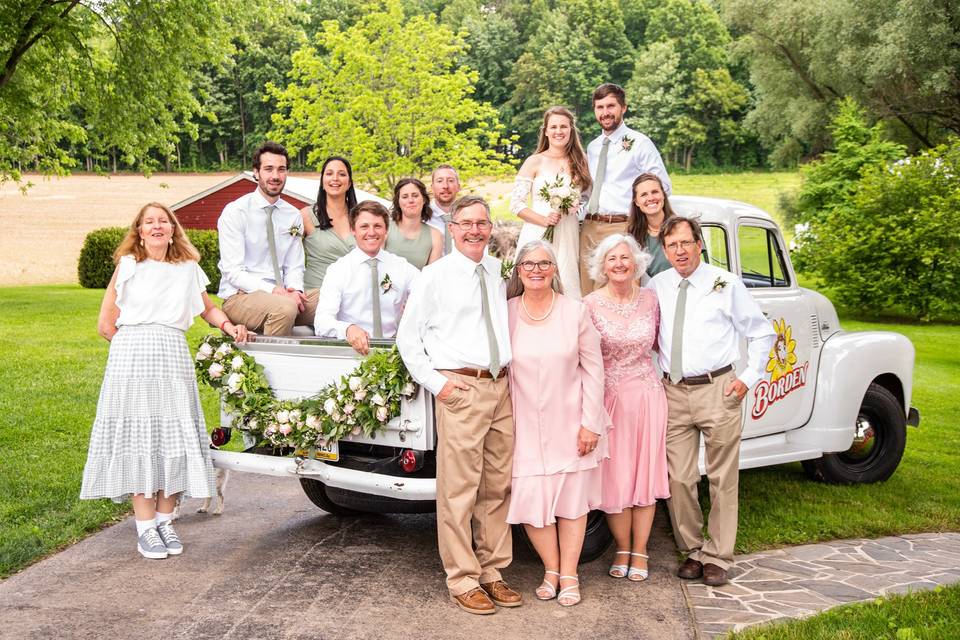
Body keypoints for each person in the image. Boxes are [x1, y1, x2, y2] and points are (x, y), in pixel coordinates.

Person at [80, 202, 251, 559]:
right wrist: (134, 347)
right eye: (149, 222)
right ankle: (145, 528)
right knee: (141, 437)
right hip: (133, 361)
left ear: (173, 229)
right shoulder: (127, 266)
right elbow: (105, 324)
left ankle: (164, 521)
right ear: (139, 231)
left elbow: (207, 308)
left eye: (164, 221)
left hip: (172, 356)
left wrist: (228, 325)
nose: (157, 226)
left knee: (174, 436)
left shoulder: (188, 268)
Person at [396, 195, 521, 615]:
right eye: (465, 223)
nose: (474, 230)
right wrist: (439, 386)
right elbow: (407, 340)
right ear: (451, 229)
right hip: (461, 390)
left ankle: (493, 571)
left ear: (490, 228)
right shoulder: (434, 277)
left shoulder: (494, 271)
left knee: (496, 487)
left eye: (481, 223)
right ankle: (463, 578)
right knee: (459, 491)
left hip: (501, 387)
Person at [648, 216, 775, 587]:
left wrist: (748, 378)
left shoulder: (726, 283)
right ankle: (691, 550)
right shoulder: (658, 285)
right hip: (674, 391)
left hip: (718, 389)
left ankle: (718, 555)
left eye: (686, 243)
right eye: (672, 245)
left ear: (699, 244)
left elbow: (762, 333)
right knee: (680, 478)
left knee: (722, 477)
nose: (680, 251)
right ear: (665, 250)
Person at [504, 240, 607, 607]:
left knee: (572, 504)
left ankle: (569, 574)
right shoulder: (507, 312)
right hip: (523, 425)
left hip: (571, 422)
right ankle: (551, 569)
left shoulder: (574, 312)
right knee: (531, 503)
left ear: (554, 270)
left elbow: (595, 371)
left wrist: (590, 423)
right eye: (529, 264)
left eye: (544, 263)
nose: (536, 269)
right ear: (518, 271)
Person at [583, 233, 670, 583]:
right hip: (609, 400)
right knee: (617, 479)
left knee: (645, 476)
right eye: (611, 259)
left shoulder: (651, 300)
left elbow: (666, 343)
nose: (619, 264)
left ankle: (641, 550)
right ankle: (622, 547)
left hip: (648, 396)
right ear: (602, 267)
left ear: (636, 261)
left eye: (624, 257)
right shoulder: (589, 304)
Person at [218, 141, 318, 336]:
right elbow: (233, 272)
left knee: (333, 299)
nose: (275, 176)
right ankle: (273, 364)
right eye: (268, 169)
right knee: (284, 308)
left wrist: (295, 289)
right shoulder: (235, 212)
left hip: (284, 296)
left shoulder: (292, 214)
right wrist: (275, 292)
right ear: (256, 172)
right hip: (241, 296)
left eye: (281, 169)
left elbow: (295, 265)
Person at [580, 83, 672, 295]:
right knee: (588, 292)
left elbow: (663, 185)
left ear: (623, 107)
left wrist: (642, 208)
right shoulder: (593, 147)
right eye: (599, 107)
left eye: (611, 106)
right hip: (589, 226)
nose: (605, 112)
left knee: (617, 291)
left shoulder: (640, 143)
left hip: (622, 225)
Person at [315, 201, 420, 354]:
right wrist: (348, 329)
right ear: (353, 230)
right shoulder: (338, 270)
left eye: (377, 226)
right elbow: (321, 322)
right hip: (351, 353)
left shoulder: (402, 267)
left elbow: (428, 294)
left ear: (386, 231)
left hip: (394, 352)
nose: (371, 232)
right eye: (364, 226)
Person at [510, 106, 591, 300]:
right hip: (539, 232)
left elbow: (586, 198)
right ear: (545, 131)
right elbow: (516, 205)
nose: (558, 131)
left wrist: (574, 206)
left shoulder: (580, 162)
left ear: (571, 130)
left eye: (563, 126)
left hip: (568, 231)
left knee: (566, 281)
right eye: (553, 127)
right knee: (535, 280)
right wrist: (544, 220)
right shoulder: (534, 161)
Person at [301, 156, 359, 290]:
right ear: (322, 181)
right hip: (318, 294)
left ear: (349, 183)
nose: (335, 178)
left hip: (355, 295)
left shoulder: (361, 217)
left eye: (342, 174)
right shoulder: (305, 216)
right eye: (329, 173)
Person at [385, 177, 443, 269]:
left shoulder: (436, 235)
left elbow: (432, 277)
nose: (410, 200)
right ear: (398, 202)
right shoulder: (385, 228)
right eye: (405, 197)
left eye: (415, 195)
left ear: (424, 200)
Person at [627, 172, 675, 278]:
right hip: (650, 292)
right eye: (644, 194)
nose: (650, 198)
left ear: (663, 195)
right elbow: (634, 276)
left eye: (655, 192)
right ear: (636, 202)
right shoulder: (632, 235)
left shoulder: (683, 227)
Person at [427, 164, 461, 253]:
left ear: (458, 187)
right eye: (439, 181)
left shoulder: (469, 216)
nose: (445, 186)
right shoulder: (422, 216)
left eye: (450, 180)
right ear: (432, 187)